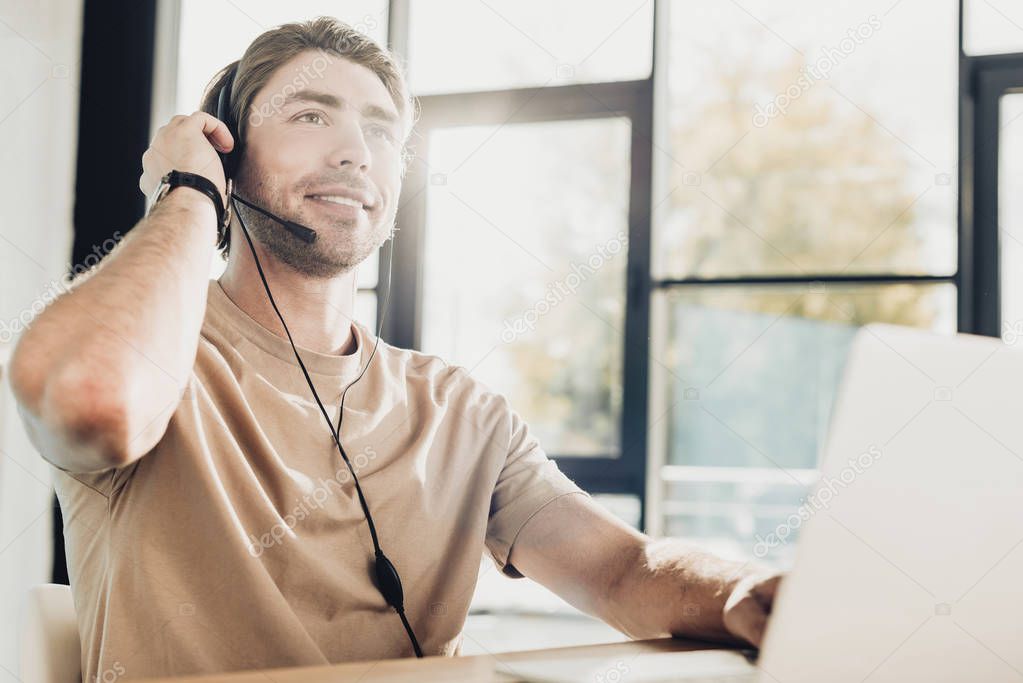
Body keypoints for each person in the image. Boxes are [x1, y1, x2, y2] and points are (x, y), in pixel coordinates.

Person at [9, 17, 781, 681]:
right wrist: (186, 192)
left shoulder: (460, 409)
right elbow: (87, 398)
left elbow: (623, 569)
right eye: (311, 116)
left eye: (380, 130)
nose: (355, 150)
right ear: (227, 150)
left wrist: (742, 589)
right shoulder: (157, 356)